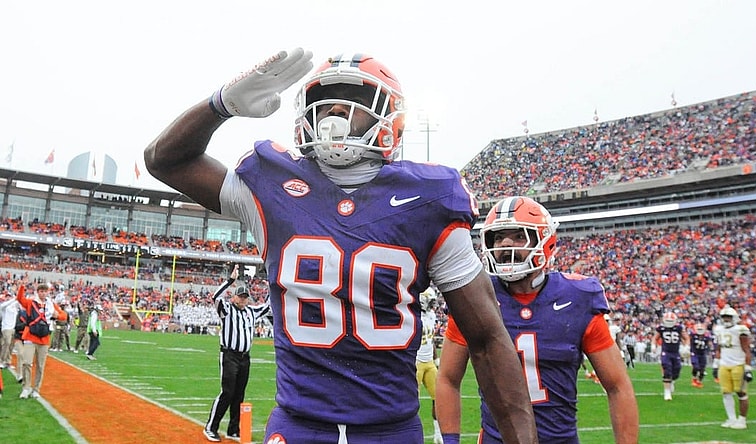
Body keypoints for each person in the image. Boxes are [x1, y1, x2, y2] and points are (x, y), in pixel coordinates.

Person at [145, 49, 538, 443]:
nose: (335, 111)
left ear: (390, 116)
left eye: (355, 100)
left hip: (390, 431)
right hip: (298, 426)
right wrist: (222, 105)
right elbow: (164, 159)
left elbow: (487, 340)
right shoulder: (270, 184)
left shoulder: (429, 200)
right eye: (325, 101)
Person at [436, 196, 639, 444]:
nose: (505, 244)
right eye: (498, 237)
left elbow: (618, 386)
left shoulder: (577, 298)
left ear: (546, 241)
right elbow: (447, 378)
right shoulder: (475, 298)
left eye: (519, 236)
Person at [204, 265, 270, 442]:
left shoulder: (251, 311)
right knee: (227, 392)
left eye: (245, 297)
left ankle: (233, 429)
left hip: (244, 358)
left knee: (239, 394)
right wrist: (230, 281)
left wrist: (272, 284)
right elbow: (215, 297)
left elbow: (268, 306)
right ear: (234, 297)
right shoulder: (226, 310)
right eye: (240, 296)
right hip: (229, 355)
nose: (243, 299)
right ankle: (211, 427)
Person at [16, 282, 67, 399]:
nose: (43, 293)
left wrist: (56, 315)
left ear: (48, 292)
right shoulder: (31, 302)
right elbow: (20, 299)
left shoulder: (50, 304)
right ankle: (26, 387)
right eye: (41, 291)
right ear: (38, 292)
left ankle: (36, 389)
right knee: (27, 362)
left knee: (40, 365)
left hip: (44, 339)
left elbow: (64, 316)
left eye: (45, 291)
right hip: (30, 336)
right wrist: (22, 287)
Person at [713, 305, 752, 430]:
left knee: (741, 392)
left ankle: (742, 420)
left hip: (738, 364)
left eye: (728, 317)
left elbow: (747, 349)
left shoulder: (740, 330)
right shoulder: (719, 329)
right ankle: (731, 418)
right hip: (724, 364)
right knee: (726, 392)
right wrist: (715, 364)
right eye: (724, 317)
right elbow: (718, 348)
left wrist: (748, 368)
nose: (726, 319)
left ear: (734, 317)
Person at [416, 288, 442, 444]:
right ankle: (413, 434)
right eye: (430, 301)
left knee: (438, 398)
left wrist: (436, 359)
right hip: (416, 363)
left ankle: (438, 433)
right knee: (412, 403)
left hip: (429, 363)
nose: (433, 304)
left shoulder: (431, 316)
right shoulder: (414, 316)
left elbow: (431, 340)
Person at [652, 311, 689, 401]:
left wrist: (686, 347)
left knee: (677, 371)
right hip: (666, 352)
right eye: (667, 321)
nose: (668, 323)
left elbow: (686, 337)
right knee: (667, 370)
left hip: (676, 352)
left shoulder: (679, 328)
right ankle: (667, 392)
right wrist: (653, 345)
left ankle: (672, 381)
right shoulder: (661, 328)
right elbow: (655, 338)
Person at [0, 292, 20, 369]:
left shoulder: (14, 307)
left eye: (9, 296)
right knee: (6, 344)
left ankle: (8, 361)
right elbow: (6, 304)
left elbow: (19, 302)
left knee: (11, 346)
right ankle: (1, 361)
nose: (8, 297)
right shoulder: (3, 306)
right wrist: (14, 299)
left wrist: (18, 297)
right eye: (7, 296)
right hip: (6, 328)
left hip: (13, 328)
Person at [689, 323, 712, 388]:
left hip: (702, 354)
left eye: (701, 329)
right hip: (695, 353)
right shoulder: (693, 335)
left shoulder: (706, 336)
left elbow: (709, 344)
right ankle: (694, 379)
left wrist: (709, 348)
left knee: (702, 370)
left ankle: (699, 381)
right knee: (696, 367)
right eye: (698, 329)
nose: (700, 330)